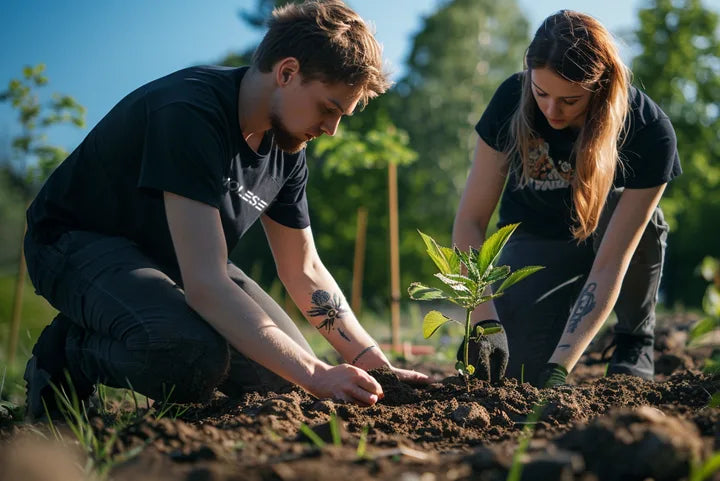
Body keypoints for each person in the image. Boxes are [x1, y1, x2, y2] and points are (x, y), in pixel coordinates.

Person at [23, 0, 428, 420]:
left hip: (173, 260)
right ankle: (66, 356)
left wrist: (372, 363)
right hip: (74, 243)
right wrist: (316, 373)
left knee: (281, 375)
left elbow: (304, 269)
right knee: (190, 356)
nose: (331, 129)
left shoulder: (287, 147)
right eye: (328, 108)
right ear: (287, 72)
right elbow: (207, 284)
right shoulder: (190, 112)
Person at [453, 10, 681, 387]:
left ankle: (633, 338)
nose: (551, 111)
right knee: (516, 372)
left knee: (646, 221)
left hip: (604, 239)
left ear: (600, 86)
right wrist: (484, 321)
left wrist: (561, 367)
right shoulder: (511, 98)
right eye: (541, 93)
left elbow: (611, 263)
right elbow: (470, 221)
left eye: (570, 100)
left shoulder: (649, 131)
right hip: (535, 239)